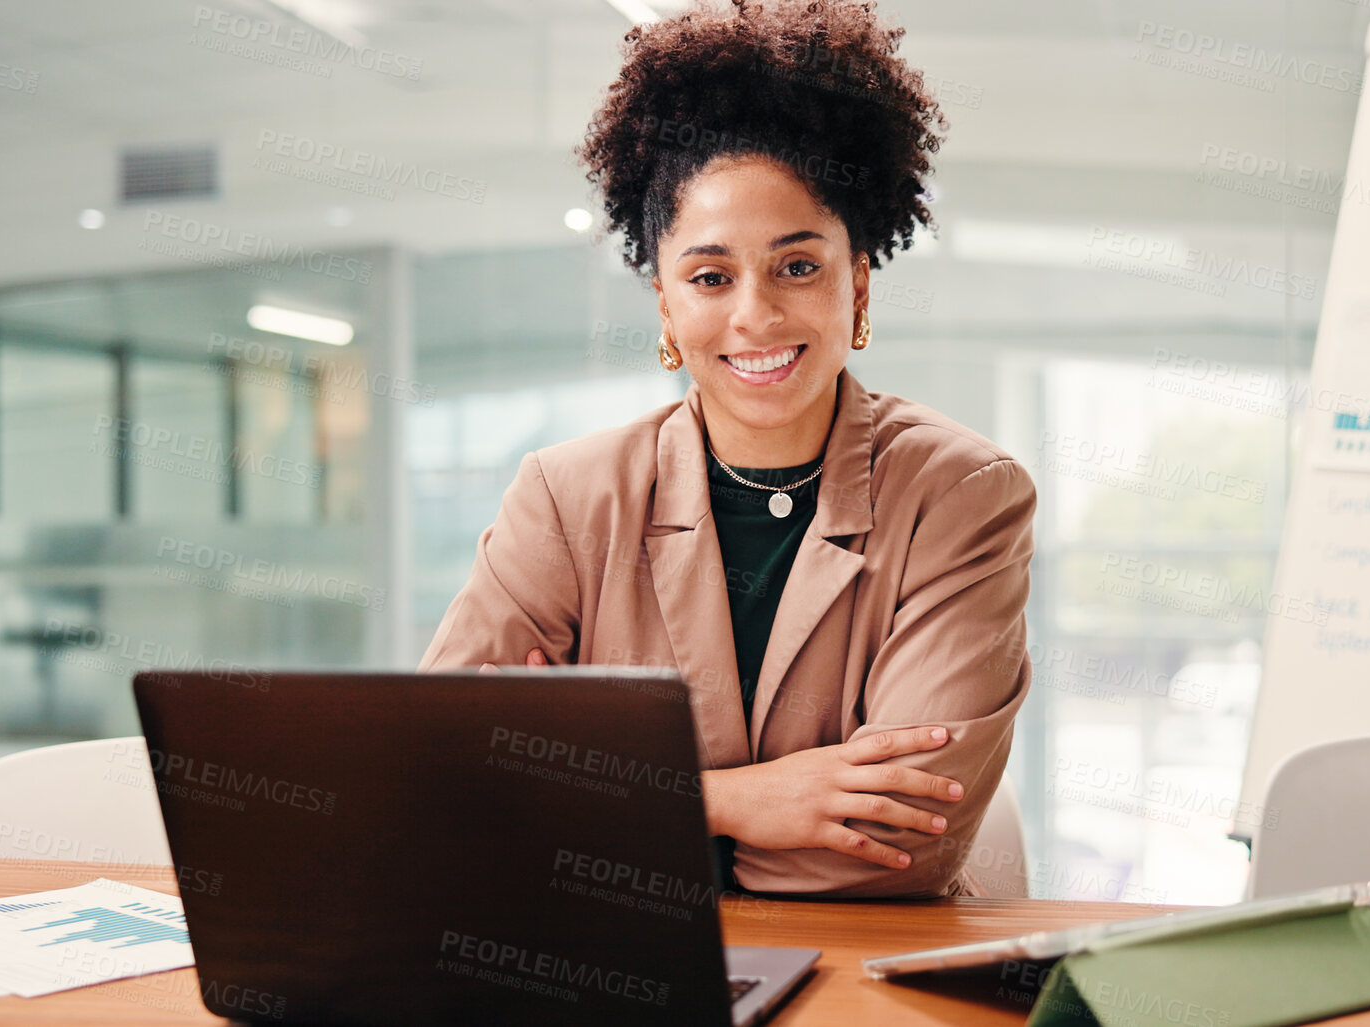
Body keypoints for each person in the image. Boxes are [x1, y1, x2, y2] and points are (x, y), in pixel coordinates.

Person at [418, 0, 1036, 899]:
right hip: (598, 964)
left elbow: (885, 846)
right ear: (667, 305)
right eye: (710, 277)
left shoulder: (962, 495)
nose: (754, 315)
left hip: (851, 979)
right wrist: (738, 801)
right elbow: (444, 786)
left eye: (797, 266)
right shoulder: (564, 497)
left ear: (856, 283)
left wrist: (591, 802)